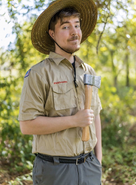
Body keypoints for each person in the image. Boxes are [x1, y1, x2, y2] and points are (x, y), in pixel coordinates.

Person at [18, 0, 102, 184]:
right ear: (52, 34)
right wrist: (73, 121)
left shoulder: (88, 71)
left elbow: (95, 116)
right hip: (55, 171)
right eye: (65, 26)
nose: (74, 32)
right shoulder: (39, 73)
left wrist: (98, 160)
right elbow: (27, 125)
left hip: (90, 168)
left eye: (77, 25)